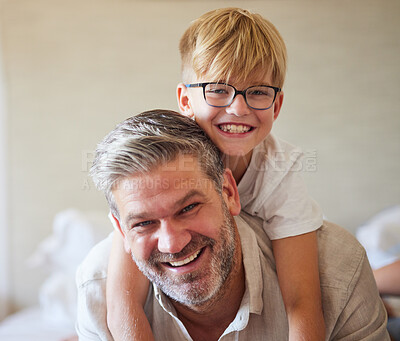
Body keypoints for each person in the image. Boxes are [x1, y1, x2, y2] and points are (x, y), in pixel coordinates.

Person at [107, 8, 326, 341]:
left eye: (258, 92)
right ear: (185, 100)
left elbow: (302, 301)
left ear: (277, 106)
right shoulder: (158, 161)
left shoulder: (279, 169)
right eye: (219, 90)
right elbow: (123, 303)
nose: (239, 108)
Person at [76, 109, 389, 340]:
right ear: (120, 231)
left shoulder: (339, 270)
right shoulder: (98, 291)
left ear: (228, 193)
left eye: (188, 207)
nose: (172, 243)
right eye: (143, 223)